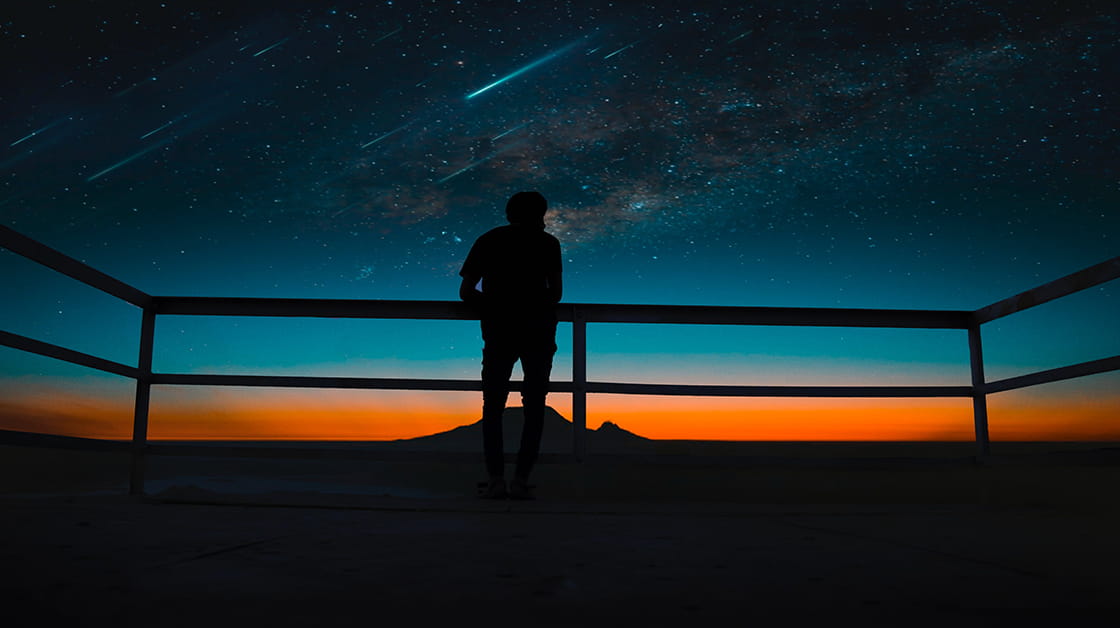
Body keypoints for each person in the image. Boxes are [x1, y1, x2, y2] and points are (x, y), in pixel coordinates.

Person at [459, 191, 563, 500]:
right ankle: (521, 479)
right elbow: (555, 293)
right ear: (541, 213)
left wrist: (495, 307)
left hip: (498, 332)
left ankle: (495, 480)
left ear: (509, 212)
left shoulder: (488, 240)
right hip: (539, 332)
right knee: (534, 405)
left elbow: (466, 291)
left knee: (492, 405)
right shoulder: (548, 244)